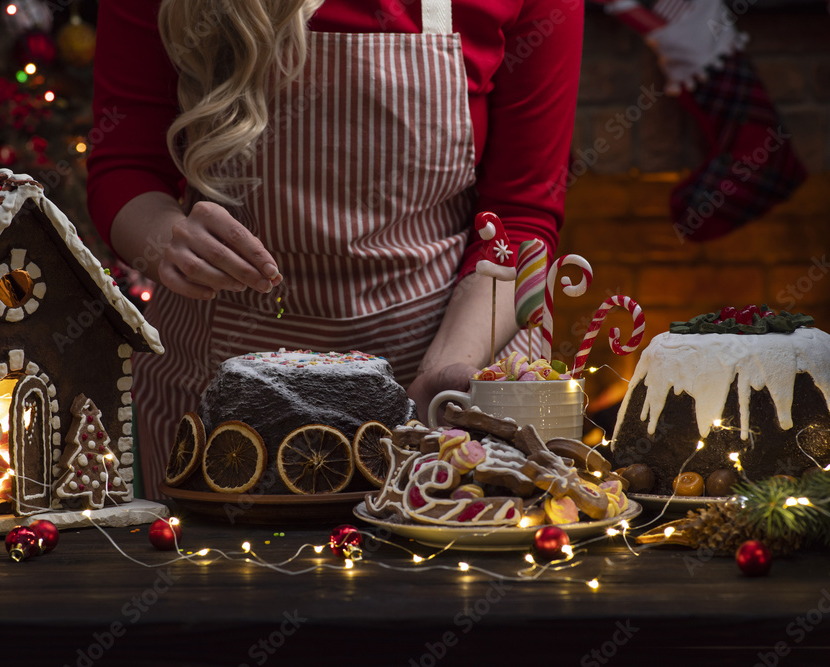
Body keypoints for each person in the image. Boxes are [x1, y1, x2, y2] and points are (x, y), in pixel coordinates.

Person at [87, 0, 583, 493]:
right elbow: (124, 166)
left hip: (449, 380)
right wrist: (167, 239)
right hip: (222, 399)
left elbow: (520, 216)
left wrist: (446, 377)